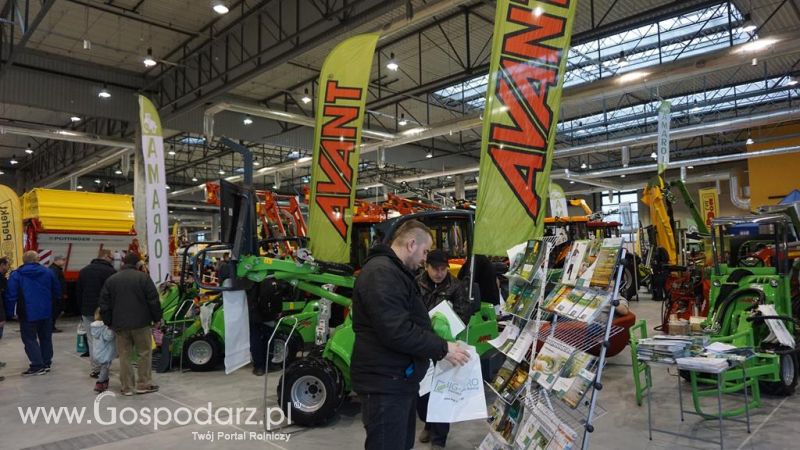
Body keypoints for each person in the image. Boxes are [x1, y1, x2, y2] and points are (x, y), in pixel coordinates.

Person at [352, 219, 471, 450]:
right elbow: (397, 330)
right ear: (411, 244)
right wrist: (443, 348)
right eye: (425, 251)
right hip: (384, 383)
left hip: (396, 380)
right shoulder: (382, 273)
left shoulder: (393, 272)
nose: (425, 259)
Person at [415, 249, 473, 448]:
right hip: (421, 345)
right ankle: (428, 423)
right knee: (422, 394)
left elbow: (463, 315)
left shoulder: (456, 286)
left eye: (443, 269)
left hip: (446, 348)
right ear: (426, 266)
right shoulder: (416, 284)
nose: (439, 273)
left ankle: (439, 440)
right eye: (435, 268)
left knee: (442, 392)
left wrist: (444, 323)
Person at [99, 252, 161, 396]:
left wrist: (108, 322)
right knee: (144, 353)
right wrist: (157, 318)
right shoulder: (143, 278)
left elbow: (104, 304)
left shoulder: (111, 280)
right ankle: (143, 384)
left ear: (123, 263)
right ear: (137, 264)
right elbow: (153, 300)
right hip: (141, 323)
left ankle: (127, 387)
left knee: (124, 356)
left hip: (120, 325)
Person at [5, 251, 61, 376]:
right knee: (46, 338)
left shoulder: (17, 274)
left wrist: (10, 313)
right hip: (46, 311)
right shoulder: (48, 272)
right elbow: (57, 290)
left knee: (29, 339)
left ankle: (37, 365)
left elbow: (11, 295)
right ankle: (46, 363)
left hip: (27, 312)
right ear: (38, 259)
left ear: (24, 260)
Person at [76, 250, 116, 377]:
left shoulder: (84, 271)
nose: (112, 260)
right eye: (111, 258)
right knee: (107, 340)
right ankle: (104, 367)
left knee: (91, 339)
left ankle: (95, 369)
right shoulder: (110, 272)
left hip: (87, 311)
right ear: (105, 257)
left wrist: (80, 310)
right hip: (104, 311)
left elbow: (78, 292)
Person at [89, 307, 116, 393]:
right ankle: (99, 383)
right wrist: (113, 329)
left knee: (105, 368)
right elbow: (109, 337)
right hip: (105, 353)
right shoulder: (104, 327)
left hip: (97, 352)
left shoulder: (94, 327)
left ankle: (105, 381)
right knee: (105, 368)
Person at [49, 255, 67, 333]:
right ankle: (51, 327)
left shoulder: (56, 269)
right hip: (55, 295)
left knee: (55, 310)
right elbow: (56, 283)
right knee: (54, 310)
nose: (64, 262)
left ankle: (51, 326)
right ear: (57, 260)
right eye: (62, 260)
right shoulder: (54, 270)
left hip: (56, 294)